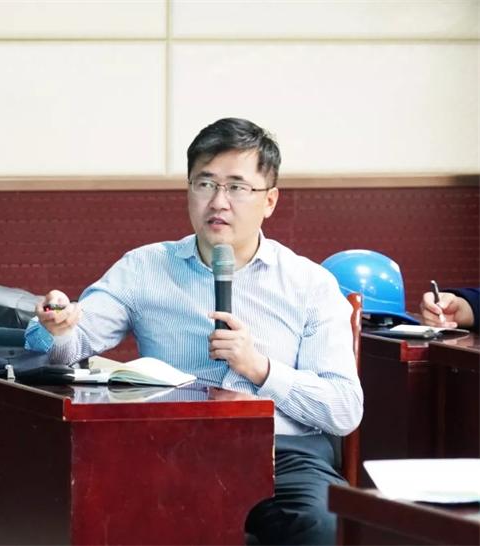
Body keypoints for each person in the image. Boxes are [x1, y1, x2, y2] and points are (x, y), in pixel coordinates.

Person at [25, 117, 363, 545]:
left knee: (326, 525)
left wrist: (260, 369)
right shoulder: (145, 268)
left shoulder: (309, 284)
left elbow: (343, 409)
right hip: (169, 446)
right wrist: (57, 327)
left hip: (282, 454)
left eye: (237, 187)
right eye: (205, 184)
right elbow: (65, 348)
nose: (219, 202)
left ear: (269, 200)